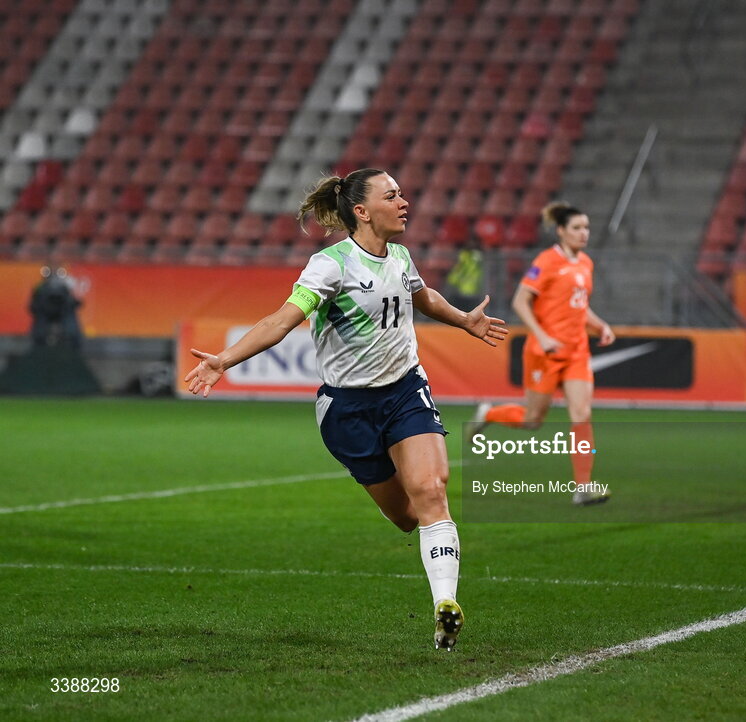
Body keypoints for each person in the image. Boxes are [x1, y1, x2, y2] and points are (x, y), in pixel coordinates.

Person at [184, 169, 508, 650]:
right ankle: (436, 563)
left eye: (402, 193)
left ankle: (445, 606)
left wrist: (464, 322)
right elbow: (281, 320)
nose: (404, 201)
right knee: (405, 516)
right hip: (347, 410)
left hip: (404, 392)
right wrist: (224, 360)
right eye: (392, 195)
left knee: (431, 490)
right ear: (361, 211)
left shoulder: (399, 255)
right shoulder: (330, 266)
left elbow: (422, 297)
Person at [469, 201, 615, 506]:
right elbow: (521, 302)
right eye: (576, 227)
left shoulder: (585, 263)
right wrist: (543, 336)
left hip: (576, 351)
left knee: (581, 415)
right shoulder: (546, 261)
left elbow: (580, 305)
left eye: (586, 227)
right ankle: (490, 413)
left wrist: (600, 326)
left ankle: (583, 487)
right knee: (533, 420)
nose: (583, 233)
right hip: (544, 353)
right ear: (561, 231)